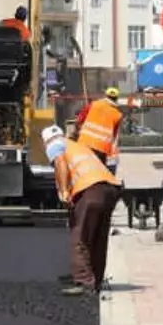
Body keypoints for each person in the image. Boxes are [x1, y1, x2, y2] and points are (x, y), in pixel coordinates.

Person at [43, 125, 122, 297]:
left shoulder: (55, 144)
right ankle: (95, 279)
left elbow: (60, 163)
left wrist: (63, 191)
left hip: (91, 190)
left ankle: (84, 281)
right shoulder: (77, 145)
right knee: (98, 236)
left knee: (79, 237)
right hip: (110, 188)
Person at [76, 87, 124, 168]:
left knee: (85, 168)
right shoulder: (118, 115)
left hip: (85, 142)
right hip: (102, 148)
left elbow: (80, 119)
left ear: (106, 96)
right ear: (116, 98)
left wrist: (77, 131)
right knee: (99, 170)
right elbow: (115, 135)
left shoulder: (94, 104)